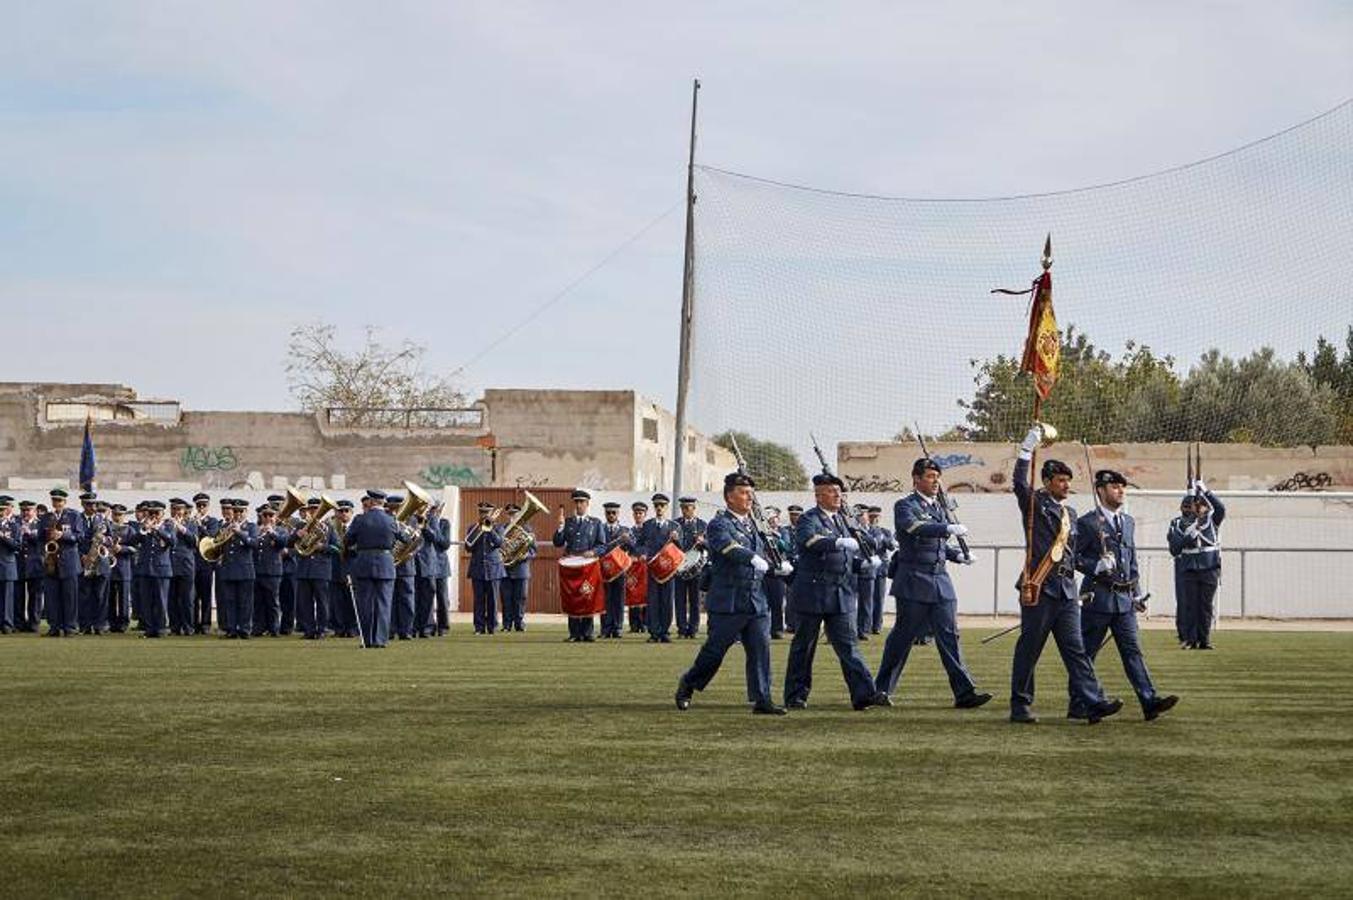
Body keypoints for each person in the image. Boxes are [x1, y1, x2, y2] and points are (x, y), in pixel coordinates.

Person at [1009, 425, 1121, 724]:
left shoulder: (1070, 515)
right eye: (1060, 481)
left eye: (1068, 482)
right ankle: (1020, 705)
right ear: (1047, 482)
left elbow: (1072, 556)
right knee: (1030, 649)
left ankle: (1092, 701)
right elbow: (1019, 483)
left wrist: (1096, 566)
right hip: (1040, 587)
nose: (1066, 486)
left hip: (1067, 591)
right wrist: (1025, 450)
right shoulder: (1034, 504)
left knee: (1077, 651)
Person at [874, 458, 992, 709]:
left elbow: (938, 546)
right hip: (914, 580)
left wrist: (957, 555)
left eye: (937, 476)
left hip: (940, 579)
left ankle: (965, 692)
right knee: (903, 637)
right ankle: (881, 689)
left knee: (950, 636)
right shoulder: (905, 505)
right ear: (916, 479)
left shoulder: (939, 508)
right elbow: (915, 528)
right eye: (929, 476)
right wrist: (947, 526)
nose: (935, 481)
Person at [676, 472, 787, 715]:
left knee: (760, 649)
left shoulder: (755, 525)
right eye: (743, 492)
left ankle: (762, 699)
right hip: (729, 599)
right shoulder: (719, 524)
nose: (749, 497)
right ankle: (689, 683)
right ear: (729, 497)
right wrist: (753, 558)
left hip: (755, 599)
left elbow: (767, 554)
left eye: (751, 493)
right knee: (715, 651)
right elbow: (728, 547)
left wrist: (779, 563)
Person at [1074, 469, 1179, 721]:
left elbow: (1131, 561)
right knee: (1086, 655)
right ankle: (1080, 704)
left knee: (1133, 652)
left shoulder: (1128, 522)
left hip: (1124, 601)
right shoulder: (1088, 523)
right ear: (1100, 490)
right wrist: (1095, 565)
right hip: (1097, 598)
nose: (1120, 491)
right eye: (1114, 487)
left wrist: (1136, 594)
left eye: (1123, 487)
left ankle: (1149, 700)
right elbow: (1073, 557)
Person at [783, 474, 890, 711]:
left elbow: (846, 558)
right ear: (819, 495)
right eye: (832, 491)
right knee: (804, 646)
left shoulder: (843, 521)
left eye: (839, 492)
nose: (838, 496)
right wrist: (838, 543)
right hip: (813, 591)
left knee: (848, 645)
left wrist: (861, 565)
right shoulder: (808, 519)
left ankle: (864, 694)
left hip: (841, 592)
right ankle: (795, 695)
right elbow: (809, 541)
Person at [1168, 481, 1227, 650]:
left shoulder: (1212, 521)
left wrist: (1206, 491)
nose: (1196, 508)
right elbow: (1175, 548)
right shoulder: (1179, 524)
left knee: (1206, 606)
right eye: (1193, 505)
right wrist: (1190, 535)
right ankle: (1190, 639)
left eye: (1199, 505)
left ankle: (1204, 639)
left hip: (1209, 567)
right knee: (1190, 606)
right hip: (1190, 568)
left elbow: (1221, 508)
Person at [344, 489, 400, 648]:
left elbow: (347, 540)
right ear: (383, 502)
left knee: (365, 603)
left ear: (370, 501)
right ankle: (380, 640)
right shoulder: (391, 520)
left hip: (364, 563)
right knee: (384, 603)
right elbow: (405, 538)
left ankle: (367, 639)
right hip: (385, 564)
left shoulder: (360, 519)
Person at [553, 489, 605, 642]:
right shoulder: (568, 522)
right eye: (577, 502)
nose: (579, 505)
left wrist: (593, 552)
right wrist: (560, 527)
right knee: (573, 597)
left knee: (587, 596)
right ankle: (574, 633)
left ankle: (588, 632)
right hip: (571, 566)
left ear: (587, 504)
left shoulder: (595, 523)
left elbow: (602, 546)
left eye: (582, 502)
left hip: (588, 566)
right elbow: (558, 543)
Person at [38, 488, 86, 637]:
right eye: (54, 500)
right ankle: (54, 627)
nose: (56, 503)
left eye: (59, 500)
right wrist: (44, 554)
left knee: (70, 597)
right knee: (52, 597)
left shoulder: (74, 516)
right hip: (51, 562)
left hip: (69, 561)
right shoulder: (46, 517)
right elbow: (40, 537)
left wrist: (63, 535)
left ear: (65, 502)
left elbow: (80, 536)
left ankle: (70, 627)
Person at [214, 499, 259, 639]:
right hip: (229, 569)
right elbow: (216, 544)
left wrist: (239, 532)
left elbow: (254, 543)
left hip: (245, 570)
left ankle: (245, 629)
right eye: (236, 511)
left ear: (246, 512)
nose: (238, 514)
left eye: (241, 511)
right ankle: (232, 629)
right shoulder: (224, 527)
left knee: (245, 602)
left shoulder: (251, 527)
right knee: (230, 601)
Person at [292, 497, 336, 640]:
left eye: (316, 509)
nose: (313, 512)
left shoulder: (329, 527)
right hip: (304, 570)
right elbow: (288, 543)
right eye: (311, 509)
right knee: (305, 602)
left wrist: (322, 547)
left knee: (322, 602)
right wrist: (296, 535)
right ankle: (309, 630)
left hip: (321, 570)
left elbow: (337, 548)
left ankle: (322, 629)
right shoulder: (300, 526)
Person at [640, 493, 681, 643]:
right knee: (653, 600)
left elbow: (680, 550)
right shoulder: (647, 525)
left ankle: (665, 631)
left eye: (662, 506)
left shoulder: (674, 526)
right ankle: (654, 632)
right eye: (657, 505)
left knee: (667, 601)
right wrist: (643, 554)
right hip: (653, 568)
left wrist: (677, 540)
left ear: (666, 507)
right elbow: (640, 544)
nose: (659, 508)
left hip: (668, 570)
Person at [76, 492, 111, 634]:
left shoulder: (102, 520)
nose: (92, 507)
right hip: (83, 560)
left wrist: (103, 540)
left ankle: (99, 625)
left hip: (100, 562)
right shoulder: (77, 519)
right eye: (89, 504)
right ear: (83, 505)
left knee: (100, 596)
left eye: (94, 504)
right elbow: (74, 540)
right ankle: (84, 625)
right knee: (84, 596)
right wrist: (81, 556)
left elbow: (111, 539)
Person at [252, 504, 289, 636]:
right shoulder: (256, 530)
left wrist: (272, 532)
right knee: (259, 602)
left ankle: (274, 628)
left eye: (271, 515)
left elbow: (284, 542)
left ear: (276, 517)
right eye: (265, 515)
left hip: (273, 571)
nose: (268, 518)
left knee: (273, 602)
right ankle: (259, 627)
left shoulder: (281, 530)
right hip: (258, 570)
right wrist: (260, 533)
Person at [674, 497, 707, 638]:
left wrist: (703, 541)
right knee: (680, 599)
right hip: (680, 566)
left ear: (694, 508)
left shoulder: (702, 525)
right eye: (683, 508)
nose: (686, 510)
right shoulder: (676, 524)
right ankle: (681, 629)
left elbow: (709, 544)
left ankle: (693, 629)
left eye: (688, 508)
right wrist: (674, 539)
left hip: (695, 568)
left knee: (695, 600)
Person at [500, 502, 534, 632]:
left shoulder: (527, 530)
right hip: (506, 569)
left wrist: (524, 555)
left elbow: (533, 550)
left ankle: (519, 623)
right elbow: (499, 548)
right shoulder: (503, 529)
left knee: (520, 598)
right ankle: (506, 624)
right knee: (506, 598)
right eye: (510, 515)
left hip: (521, 569)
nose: (512, 517)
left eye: (514, 514)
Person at [166, 498, 198, 636]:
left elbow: (194, 541)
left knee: (187, 599)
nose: (176, 512)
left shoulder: (191, 523)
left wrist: (182, 529)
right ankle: (174, 627)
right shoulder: (166, 523)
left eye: (179, 509)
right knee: (171, 598)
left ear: (184, 511)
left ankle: (188, 627)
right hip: (170, 564)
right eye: (174, 509)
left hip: (186, 565)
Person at [599, 502, 630, 638]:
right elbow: (599, 547)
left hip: (619, 570)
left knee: (619, 599)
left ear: (618, 514)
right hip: (604, 570)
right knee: (605, 599)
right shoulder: (600, 528)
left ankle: (617, 627)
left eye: (614, 513)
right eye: (608, 513)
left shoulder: (625, 530)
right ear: (605, 514)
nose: (611, 515)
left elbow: (633, 547)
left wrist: (627, 540)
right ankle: (605, 628)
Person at [761, 507, 793, 639]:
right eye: (770, 519)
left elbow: (786, 547)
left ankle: (777, 629)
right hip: (764, 569)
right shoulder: (761, 532)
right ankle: (763, 629)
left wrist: (777, 537)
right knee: (763, 602)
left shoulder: (783, 531)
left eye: (774, 519)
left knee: (777, 601)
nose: (773, 521)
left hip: (778, 571)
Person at [329, 500, 358, 638]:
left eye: (347, 511)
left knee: (351, 600)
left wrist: (350, 548)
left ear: (352, 513)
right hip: (336, 567)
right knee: (337, 601)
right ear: (336, 513)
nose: (344, 514)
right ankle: (339, 628)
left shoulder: (356, 527)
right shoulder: (331, 527)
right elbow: (327, 544)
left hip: (352, 567)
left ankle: (352, 628)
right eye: (341, 511)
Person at [191, 493, 218, 633]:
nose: (201, 508)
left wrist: (200, 525)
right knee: (193, 596)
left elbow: (212, 536)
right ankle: (194, 623)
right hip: (193, 562)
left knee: (206, 595)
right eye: (199, 505)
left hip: (206, 562)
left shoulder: (212, 521)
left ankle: (206, 624)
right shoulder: (191, 521)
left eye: (204, 505)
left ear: (208, 506)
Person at [17, 500, 45, 632]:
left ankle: (34, 622)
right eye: (23, 510)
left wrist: (28, 534)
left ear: (34, 511)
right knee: (19, 595)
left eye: (28, 510)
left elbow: (42, 542)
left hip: (36, 564)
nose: (26, 513)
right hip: (20, 563)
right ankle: (19, 621)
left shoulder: (40, 524)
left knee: (36, 596)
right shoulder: (16, 523)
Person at [868, 506, 896, 636]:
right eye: (872, 517)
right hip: (868, 567)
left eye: (876, 517)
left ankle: (877, 625)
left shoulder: (885, 531)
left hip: (880, 569)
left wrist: (882, 538)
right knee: (867, 598)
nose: (874, 519)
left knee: (879, 598)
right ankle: (866, 625)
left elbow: (891, 547)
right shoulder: (865, 531)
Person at [107, 504, 135, 633]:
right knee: (110, 596)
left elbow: (135, 548)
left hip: (124, 567)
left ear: (124, 515)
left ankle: (123, 622)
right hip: (109, 567)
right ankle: (112, 622)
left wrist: (122, 549)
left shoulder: (130, 530)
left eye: (119, 515)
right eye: (115, 514)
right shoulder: (107, 528)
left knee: (124, 598)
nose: (117, 517)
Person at [626, 502, 649, 634]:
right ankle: (634, 624)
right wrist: (631, 555)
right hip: (633, 566)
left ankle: (645, 623)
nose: (638, 515)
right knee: (632, 593)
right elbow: (626, 549)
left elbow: (650, 544)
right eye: (636, 513)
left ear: (645, 515)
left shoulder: (649, 530)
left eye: (641, 513)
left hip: (645, 565)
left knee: (645, 595)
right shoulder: (630, 531)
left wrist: (644, 554)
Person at [782, 505, 803, 634]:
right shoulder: (786, 530)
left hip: (803, 565)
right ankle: (791, 623)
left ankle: (800, 622)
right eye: (792, 515)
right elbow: (786, 546)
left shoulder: (805, 529)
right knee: (790, 595)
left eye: (797, 515)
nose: (794, 517)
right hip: (791, 565)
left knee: (802, 596)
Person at [0, 496, 18, 633]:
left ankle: (7, 625)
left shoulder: (13, 525)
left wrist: (3, 536)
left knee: (7, 598)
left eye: (2, 510)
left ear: (7, 510)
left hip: (7, 565)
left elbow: (16, 545)